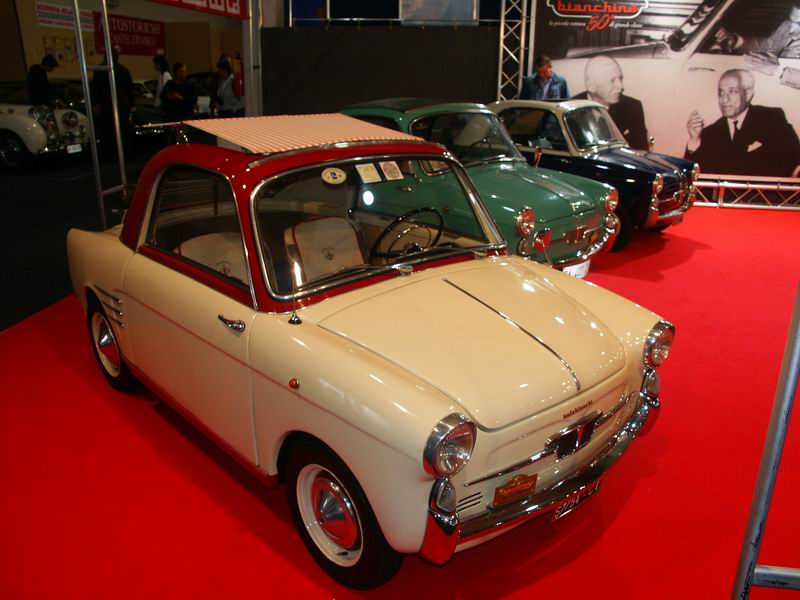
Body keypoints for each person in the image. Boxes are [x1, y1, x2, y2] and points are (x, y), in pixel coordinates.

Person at [684, 69, 800, 177]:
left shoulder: (772, 118)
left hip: (766, 192)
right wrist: (695, 140)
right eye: (721, 93)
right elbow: (691, 176)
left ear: (748, 94)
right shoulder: (710, 132)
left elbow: (795, 156)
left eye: (732, 92)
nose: (724, 100)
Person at [572, 55, 649, 150]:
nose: (620, 87)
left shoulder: (632, 107)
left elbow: (641, 151)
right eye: (612, 81)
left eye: (620, 79)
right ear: (591, 86)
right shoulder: (571, 109)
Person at [713, 1, 800, 61]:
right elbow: (770, 45)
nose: (791, 29)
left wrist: (774, 68)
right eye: (791, 20)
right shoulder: (790, 25)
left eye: (799, 24)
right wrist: (737, 41)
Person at [90, 48, 135, 148]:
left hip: (107, 105)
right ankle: (124, 150)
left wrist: (95, 103)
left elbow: (95, 88)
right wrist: (131, 104)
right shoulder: (123, 70)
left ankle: (111, 151)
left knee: (109, 132)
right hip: (122, 105)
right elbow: (129, 89)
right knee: (123, 132)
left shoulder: (99, 70)